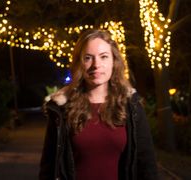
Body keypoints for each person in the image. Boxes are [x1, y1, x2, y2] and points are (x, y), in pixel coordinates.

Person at [39, 29, 159, 180]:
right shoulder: (62, 108)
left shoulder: (131, 106)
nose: (96, 65)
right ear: (79, 63)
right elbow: (49, 167)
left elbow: (146, 164)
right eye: (88, 58)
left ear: (114, 61)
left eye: (104, 57)